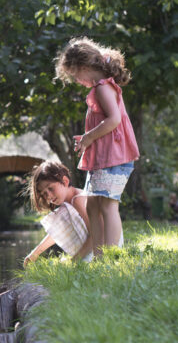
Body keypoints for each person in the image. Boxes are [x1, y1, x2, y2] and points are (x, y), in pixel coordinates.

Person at [55, 37, 140, 256]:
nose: (76, 80)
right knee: (93, 206)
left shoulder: (103, 88)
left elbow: (113, 120)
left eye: (75, 75)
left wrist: (89, 137)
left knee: (108, 206)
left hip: (114, 157)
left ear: (83, 67)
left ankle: (111, 258)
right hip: (104, 158)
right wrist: (88, 138)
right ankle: (99, 257)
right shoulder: (100, 89)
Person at [23, 161, 93, 266]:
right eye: (44, 194)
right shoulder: (68, 205)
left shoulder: (78, 200)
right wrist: (35, 253)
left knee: (62, 213)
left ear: (65, 181)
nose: (49, 196)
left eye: (51, 188)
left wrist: (74, 262)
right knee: (60, 214)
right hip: (92, 248)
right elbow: (57, 231)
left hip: (101, 247)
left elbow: (96, 234)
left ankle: (85, 258)